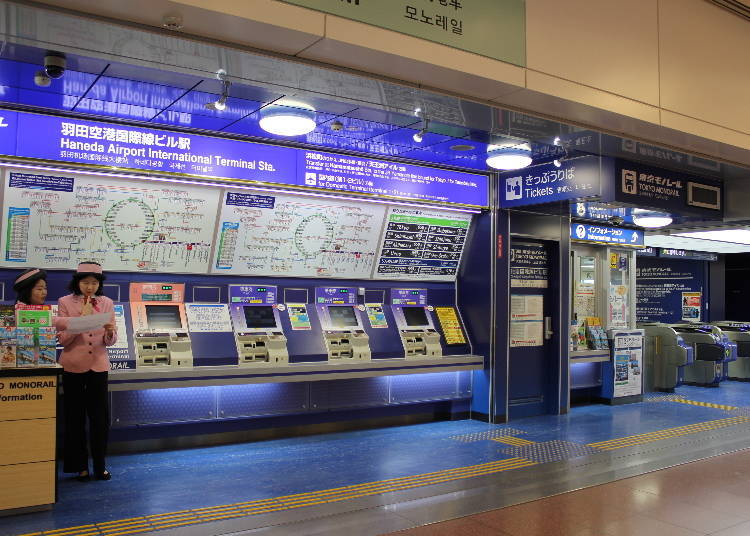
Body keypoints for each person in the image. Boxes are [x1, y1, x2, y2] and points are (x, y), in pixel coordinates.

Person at [57, 262, 117, 482]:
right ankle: (80, 467)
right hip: (73, 367)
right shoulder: (65, 302)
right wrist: (80, 321)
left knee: (100, 419)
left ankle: (100, 466)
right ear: (77, 282)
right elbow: (62, 339)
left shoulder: (107, 302)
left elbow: (110, 341)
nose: (90, 287)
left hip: (98, 367)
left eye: (94, 282)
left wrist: (110, 333)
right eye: (85, 282)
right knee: (74, 418)